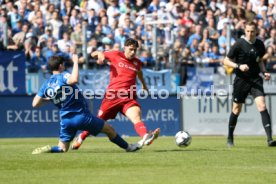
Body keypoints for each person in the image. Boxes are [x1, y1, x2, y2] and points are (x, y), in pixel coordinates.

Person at [31, 55, 140, 154]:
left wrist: (53, 98)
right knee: (109, 130)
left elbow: (35, 104)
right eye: (63, 65)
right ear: (60, 66)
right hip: (80, 116)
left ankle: (50, 149)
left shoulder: (46, 84)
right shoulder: (63, 76)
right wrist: (76, 62)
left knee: (63, 149)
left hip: (65, 120)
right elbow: (74, 79)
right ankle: (128, 147)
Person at [71, 38, 160, 150]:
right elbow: (93, 54)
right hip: (112, 97)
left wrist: (144, 85)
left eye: (135, 50)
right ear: (125, 48)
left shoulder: (137, 62)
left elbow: (139, 72)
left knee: (136, 116)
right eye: (131, 49)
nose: (133, 52)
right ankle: (81, 137)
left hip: (128, 97)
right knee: (97, 122)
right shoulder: (115, 54)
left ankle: (145, 136)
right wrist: (99, 54)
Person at [223, 21, 276, 147]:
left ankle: (269, 139)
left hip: (255, 79)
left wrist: (264, 72)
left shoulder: (260, 44)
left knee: (262, 106)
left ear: (256, 31)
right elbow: (225, 60)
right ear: (245, 31)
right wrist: (238, 66)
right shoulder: (239, 44)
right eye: (247, 31)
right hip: (241, 80)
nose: (250, 33)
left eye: (252, 31)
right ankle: (230, 137)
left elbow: (260, 61)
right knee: (236, 110)